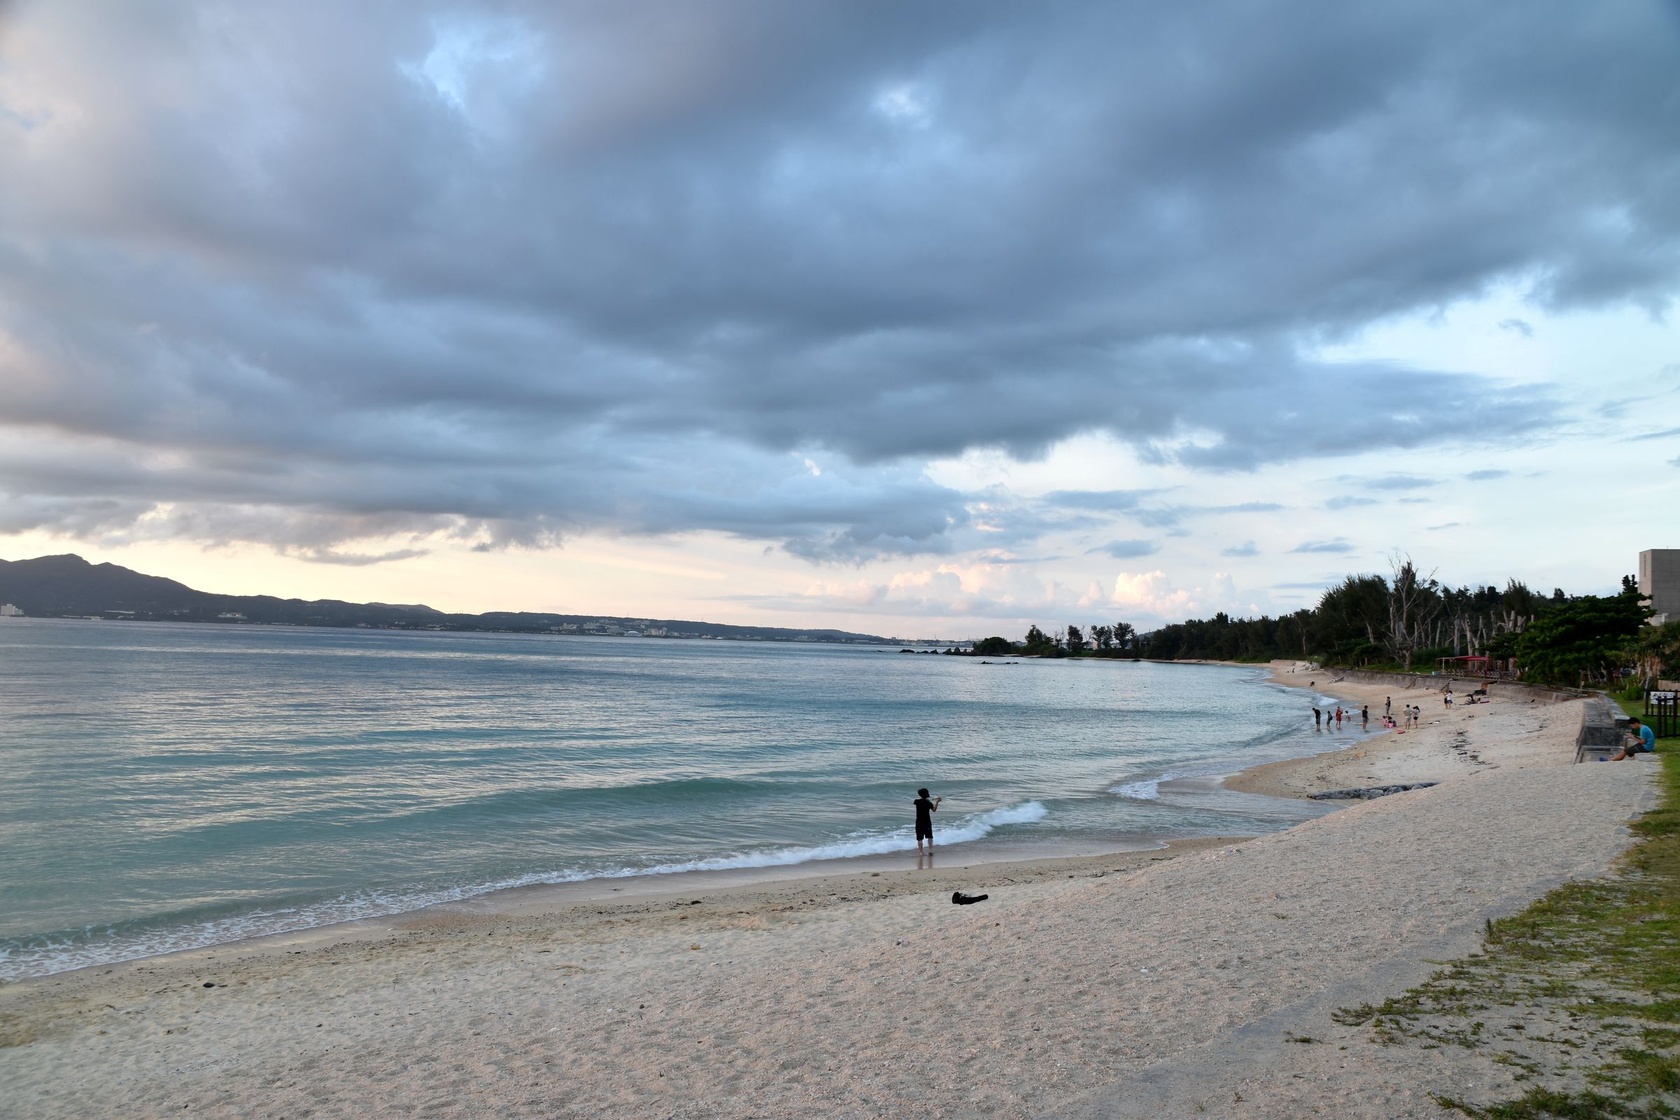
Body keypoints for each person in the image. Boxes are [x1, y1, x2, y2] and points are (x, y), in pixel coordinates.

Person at [914, 787, 942, 852]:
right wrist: (937, 802)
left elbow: (921, 801)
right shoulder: (929, 803)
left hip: (919, 822)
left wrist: (926, 800)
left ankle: (921, 852)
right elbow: (934, 810)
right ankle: (930, 850)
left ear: (920, 795)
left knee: (919, 838)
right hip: (927, 821)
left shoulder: (916, 802)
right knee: (929, 837)